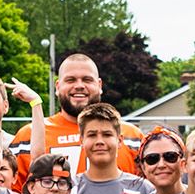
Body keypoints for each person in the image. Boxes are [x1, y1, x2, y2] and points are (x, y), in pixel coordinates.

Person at [12, 52, 136, 181]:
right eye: (70, 80)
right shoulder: (29, 135)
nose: (79, 86)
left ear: (99, 85)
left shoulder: (131, 137)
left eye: (87, 80)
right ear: (58, 87)